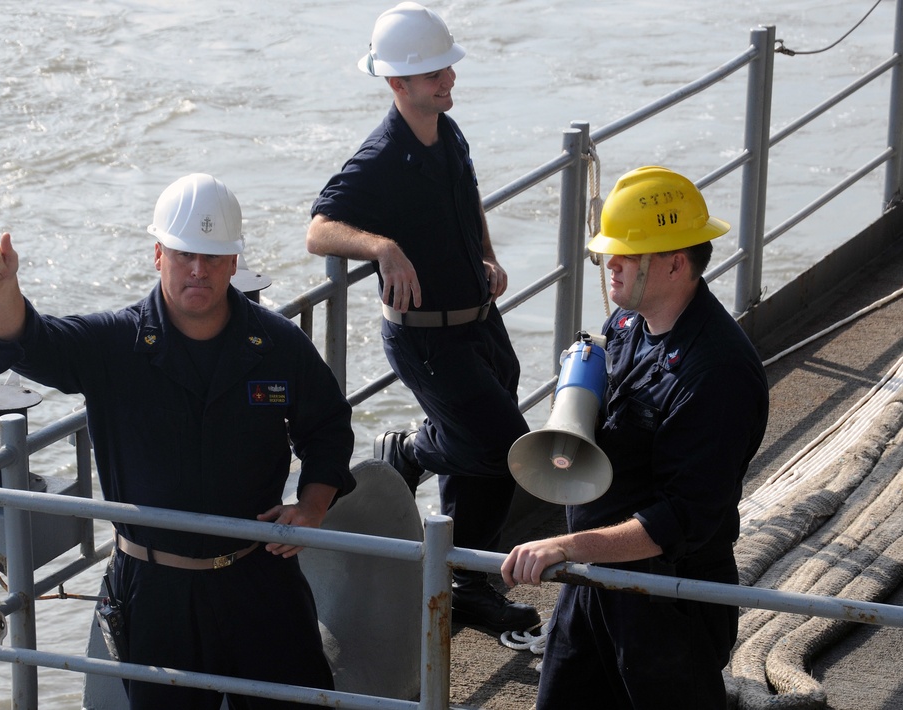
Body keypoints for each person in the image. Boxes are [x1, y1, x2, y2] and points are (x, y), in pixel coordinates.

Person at [0, 173, 356, 710]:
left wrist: (312, 507)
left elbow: (329, 429)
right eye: (184, 254)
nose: (199, 270)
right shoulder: (115, 345)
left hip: (260, 579)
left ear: (234, 262)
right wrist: (3, 288)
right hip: (154, 592)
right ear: (158, 255)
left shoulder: (278, 345)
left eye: (213, 257)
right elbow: (30, 342)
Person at [305, 2, 539, 634]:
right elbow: (319, 231)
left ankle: (470, 586)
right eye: (432, 72)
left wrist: (487, 255)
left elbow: (470, 198)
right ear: (396, 83)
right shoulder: (382, 155)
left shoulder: (449, 132)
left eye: (447, 67)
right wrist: (381, 247)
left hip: (480, 324)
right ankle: (411, 452)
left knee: (485, 460)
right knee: (501, 446)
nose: (447, 79)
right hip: (428, 340)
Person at [501, 166, 769, 708]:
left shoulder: (717, 374)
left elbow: (680, 519)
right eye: (608, 251)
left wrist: (565, 546)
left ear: (675, 263)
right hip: (595, 580)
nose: (609, 264)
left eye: (626, 253)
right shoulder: (630, 325)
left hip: (667, 601)